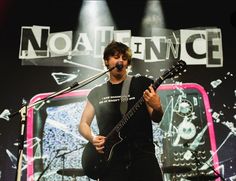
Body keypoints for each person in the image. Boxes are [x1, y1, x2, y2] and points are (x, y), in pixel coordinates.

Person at [79, 41, 164, 181]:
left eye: (124, 59)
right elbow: (83, 124)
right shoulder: (97, 92)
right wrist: (93, 138)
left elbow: (156, 117)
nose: (121, 61)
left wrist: (157, 107)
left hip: (142, 157)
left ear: (127, 63)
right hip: (111, 161)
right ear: (107, 61)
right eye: (116, 57)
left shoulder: (142, 83)